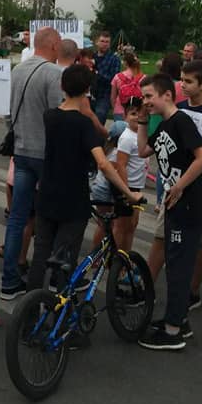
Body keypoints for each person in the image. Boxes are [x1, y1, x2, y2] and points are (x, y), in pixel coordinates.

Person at [29, 66, 142, 292]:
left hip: (46, 193)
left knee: (41, 253)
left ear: (62, 86)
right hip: (73, 199)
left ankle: (32, 304)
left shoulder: (49, 116)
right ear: (88, 90)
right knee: (65, 257)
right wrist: (129, 193)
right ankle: (62, 304)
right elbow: (103, 163)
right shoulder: (83, 124)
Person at [136, 73, 202, 351]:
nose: (145, 101)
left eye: (149, 96)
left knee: (179, 267)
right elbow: (143, 150)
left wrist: (179, 186)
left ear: (167, 94)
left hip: (188, 202)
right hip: (174, 202)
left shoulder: (182, 121)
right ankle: (178, 319)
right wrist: (143, 120)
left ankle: (172, 331)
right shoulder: (165, 124)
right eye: (143, 97)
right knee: (174, 259)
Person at [146, 60, 202, 310]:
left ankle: (193, 290)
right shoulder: (178, 109)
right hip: (175, 183)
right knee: (161, 235)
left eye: (188, 81)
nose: (182, 84)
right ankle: (147, 286)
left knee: (201, 240)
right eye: (181, 79)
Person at [1, 26, 63, 300]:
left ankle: (9, 281)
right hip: (45, 155)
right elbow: (57, 117)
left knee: (17, 218)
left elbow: (7, 113)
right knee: (49, 220)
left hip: (21, 151)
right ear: (52, 45)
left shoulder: (17, 70)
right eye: (58, 44)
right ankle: (48, 281)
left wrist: (17, 138)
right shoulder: (53, 73)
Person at [91, 98, 148, 253]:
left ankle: (122, 258)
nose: (137, 116)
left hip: (132, 186)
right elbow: (119, 166)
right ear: (125, 117)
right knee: (113, 226)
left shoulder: (141, 135)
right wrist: (126, 191)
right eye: (133, 113)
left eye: (140, 113)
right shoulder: (127, 138)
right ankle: (101, 257)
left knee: (130, 225)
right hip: (122, 186)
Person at [93, 31, 120, 124]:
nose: (104, 44)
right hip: (89, 94)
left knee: (100, 115)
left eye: (107, 42)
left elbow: (113, 79)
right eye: (102, 41)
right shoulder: (91, 56)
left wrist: (97, 73)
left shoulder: (114, 59)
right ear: (97, 42)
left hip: (104, 94)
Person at [110, 51, 144, 119]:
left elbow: (113, 97)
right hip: (137, 111)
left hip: (119, 110)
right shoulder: (143, 78)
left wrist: (115, 108)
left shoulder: (117, 77)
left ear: (125, 63)